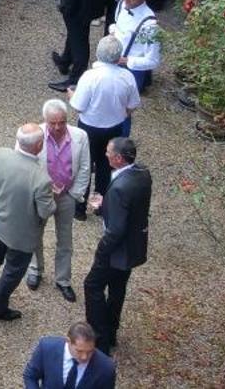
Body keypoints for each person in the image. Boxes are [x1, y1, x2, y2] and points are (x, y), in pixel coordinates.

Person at [0, 124, 55, 322]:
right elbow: (46, 211)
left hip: (0, 221)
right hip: (24, 234)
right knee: (12, 271)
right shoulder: (42, 179)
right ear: (39, 145)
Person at [84, 136, 151, 355]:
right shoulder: (142, 174)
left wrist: (102, 249)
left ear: (119, 158)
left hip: (116, 251)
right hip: (132, 248)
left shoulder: (120, 187)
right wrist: (106, 207)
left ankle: (99, 338)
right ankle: (112, 331)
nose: (105, 155)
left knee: (92, 286)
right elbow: (129, 210)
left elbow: (116, 230)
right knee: (117, 289)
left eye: (108, 152)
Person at [27, 100, 92, 304]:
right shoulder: (33, 135)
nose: (57, 127)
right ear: (45, 121)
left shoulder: (80, 136)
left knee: (65, 240)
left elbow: (84, 168)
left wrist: (75, 194)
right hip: (42, 196)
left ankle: (63, 280)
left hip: (67, 196)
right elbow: (25, 167)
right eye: (52, 123)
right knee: (34, 233)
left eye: (61, 122)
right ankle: (35, 269)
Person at [70, 36, 141, 190]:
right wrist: (122, 114)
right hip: (115, 127)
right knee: (107, 165)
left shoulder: (90, 76)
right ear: (118, 56)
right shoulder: (127, 77)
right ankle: (101, 202)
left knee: (85, 165)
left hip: (89, 127)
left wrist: (71, 96)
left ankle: (80, 207)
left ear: (98, 53)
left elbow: (78, 106)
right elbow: (133, 104)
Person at [23, 322, 117, 389]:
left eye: (90, 351)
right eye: (79, 351)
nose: (84, 357)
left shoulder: (106, 368)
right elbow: (30, 375)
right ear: (68, 341)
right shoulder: (47, 348)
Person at [110, 0, 161, 92]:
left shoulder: (149, 25)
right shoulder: (121, 5)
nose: (126, 1)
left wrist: (127, 61)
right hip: (113, 63)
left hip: (131, 71)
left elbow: (153, 60)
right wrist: (113, 32)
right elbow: (116, 24)